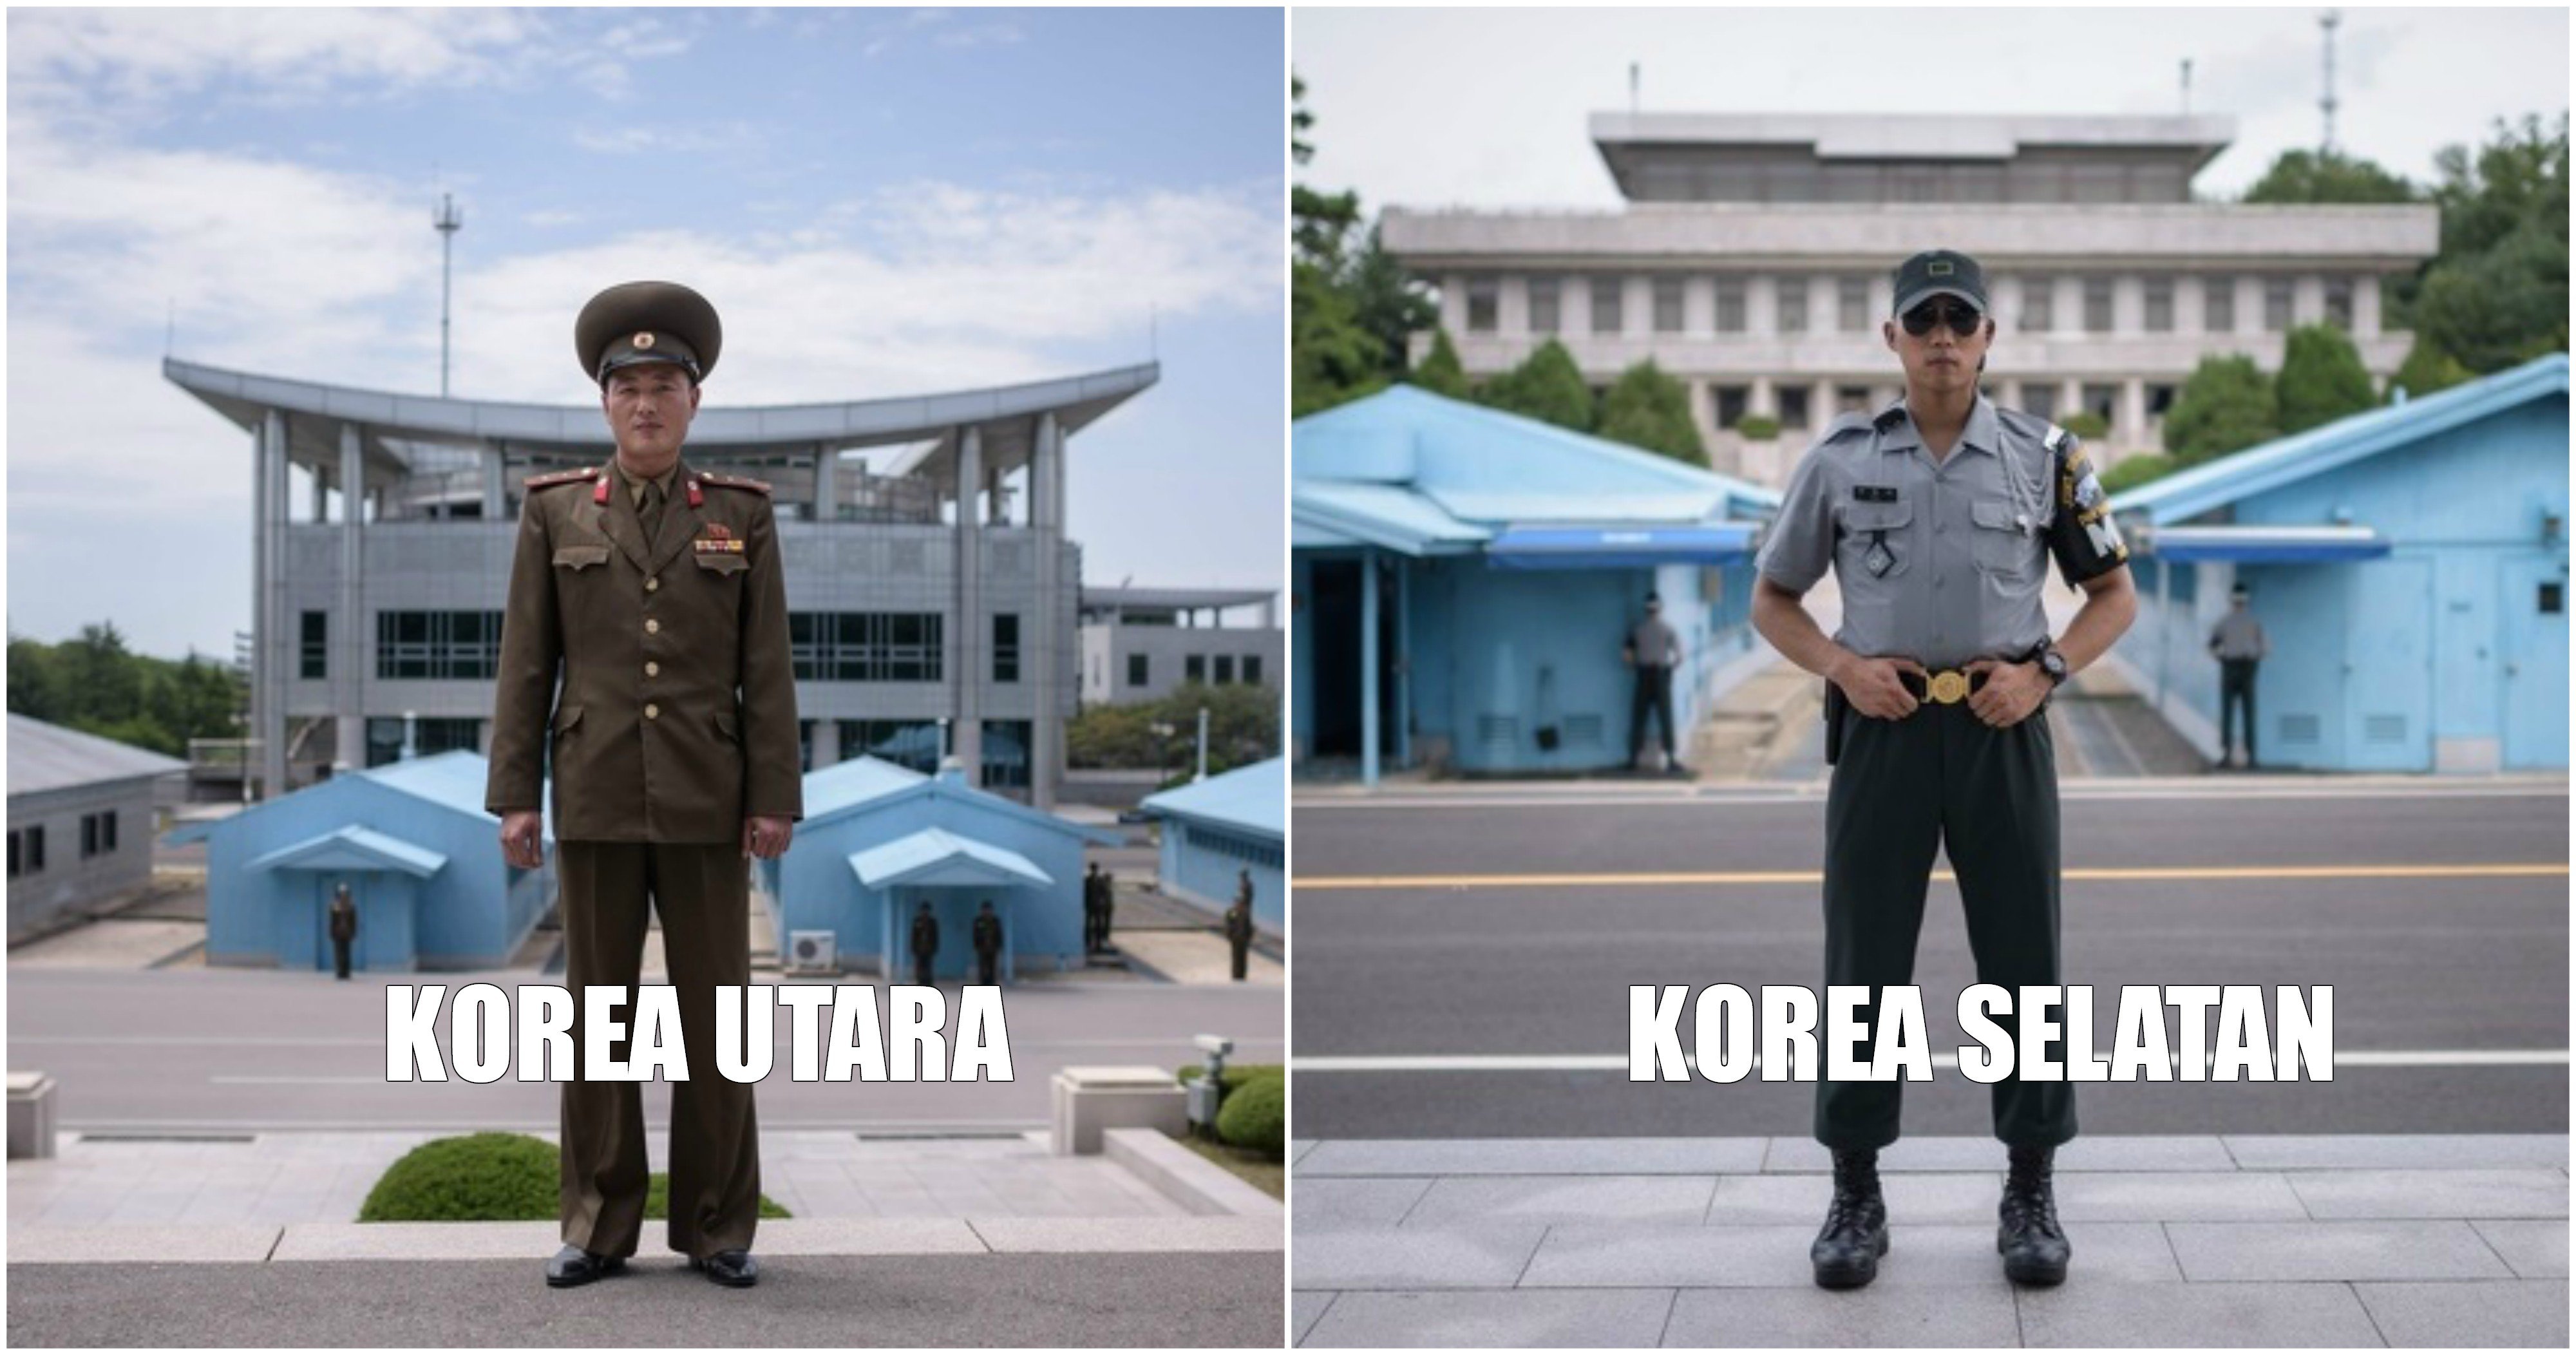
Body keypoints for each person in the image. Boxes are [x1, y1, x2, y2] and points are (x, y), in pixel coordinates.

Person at [1750, 249, 2136, 1291]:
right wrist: (1840, 664)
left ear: (1988, 336)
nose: (1942, 339)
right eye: (1922, 321)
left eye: (1960, 321)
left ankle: (2030, 1189)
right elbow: (1773, 599)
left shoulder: (2045, 457)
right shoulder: (1837, 460)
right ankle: (1855, 1192)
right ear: (1892, 338)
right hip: (1884, 729)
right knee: (1863, 964)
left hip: (2003, 726)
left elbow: (2112, 597)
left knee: (2024, 964)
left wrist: (2047, 671)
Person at [486, 280, 799, 1291]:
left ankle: (717, 1229)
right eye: (629, 387)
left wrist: (774, 795)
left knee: (719, 1021)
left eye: (665, 385)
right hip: (597, 791)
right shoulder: (556, 511)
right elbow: (526, 662)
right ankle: (597, 1225)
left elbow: (769, 667)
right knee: (596, 1020)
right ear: (606, 403)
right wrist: (516, 794)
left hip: (712, 796)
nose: (647, 403)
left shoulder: (741, 517)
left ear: (694, 401)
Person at [1623, 592, 1685, 773]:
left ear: (1646, 609)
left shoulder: (1637, 629)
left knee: (1639, 718)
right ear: (1660, 608)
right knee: (1666, 718)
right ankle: (1671, 759)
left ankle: (1633, 759)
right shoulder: (1667, 629)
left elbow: (1626, 656)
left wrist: (1635, 667)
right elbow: (1679, 656)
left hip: (1643, 674)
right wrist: (1669, 670)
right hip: (1661, 675)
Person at [2208, 583, 2268, 770]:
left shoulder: (2225, 622)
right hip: (2247, 666)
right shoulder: (2253, 622)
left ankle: (2227, 755)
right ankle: (2251, 757)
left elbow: (2212, 645)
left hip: (2231, 665)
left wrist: (2221, 658)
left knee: (2229, 713)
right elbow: (2264, 648)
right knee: (2248, 713)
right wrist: (2255, 659)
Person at [1225, 870, 1257, 982]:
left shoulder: (1243, 912)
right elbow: (1229, 923)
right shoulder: (1234, 912)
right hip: (1237, 938)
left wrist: (1249, 937)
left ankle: (1241, 976)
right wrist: (1230, 935)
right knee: (1236, 958)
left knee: (1242, 959)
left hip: (1242, 938)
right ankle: (1236, 975)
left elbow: (1248, 926)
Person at [327, 882, 358, 980]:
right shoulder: (335, 906)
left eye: (345, 893)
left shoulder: (351, 905)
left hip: (347, 933)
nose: (343, 895)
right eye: (342, 893)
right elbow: (332, 921)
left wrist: (354, 932)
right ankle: (340, 972)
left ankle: (346, 972)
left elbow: (353, 921)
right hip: (338, 933)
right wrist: (331, 932)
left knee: (346, 953)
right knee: (339, 953)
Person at [972, 900, 1003, 987]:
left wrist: (998, 946)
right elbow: (975, 934)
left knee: (992, 967)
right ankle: (983, 983)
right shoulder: (979, 921)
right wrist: (977, 946)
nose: (987, 912)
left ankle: (991, 983)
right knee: (982, 967)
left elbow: (999, 934)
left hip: (993, 948)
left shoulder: (995, 921)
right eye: (985, 910)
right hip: (982, 949)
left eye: (988, 910)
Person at [911, 900, 940, 987]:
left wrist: (934, 948)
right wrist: (914, 948)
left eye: (926, 911)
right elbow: (914, 936)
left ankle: (928, 983)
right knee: (920, 967)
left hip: (929, 949)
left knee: (928, 968)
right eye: (923, 910)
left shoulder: (932, 922)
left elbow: (935, 936)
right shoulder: (917, 921)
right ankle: (920, 982)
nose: (925, 912)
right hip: (919, 949)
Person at [1083, 860, 1106, 954]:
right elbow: (1085, 894)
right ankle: (1088, 942)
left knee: (1098, 925)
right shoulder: (1087, 880)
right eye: (1093, 869)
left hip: (1098, 906)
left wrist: (1102, 902)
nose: (1094, 871)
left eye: (1095, 869)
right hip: (1090, 905)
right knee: (1088, 924)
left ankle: (1098, 943)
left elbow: (1104, 893)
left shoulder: (1100, 880)